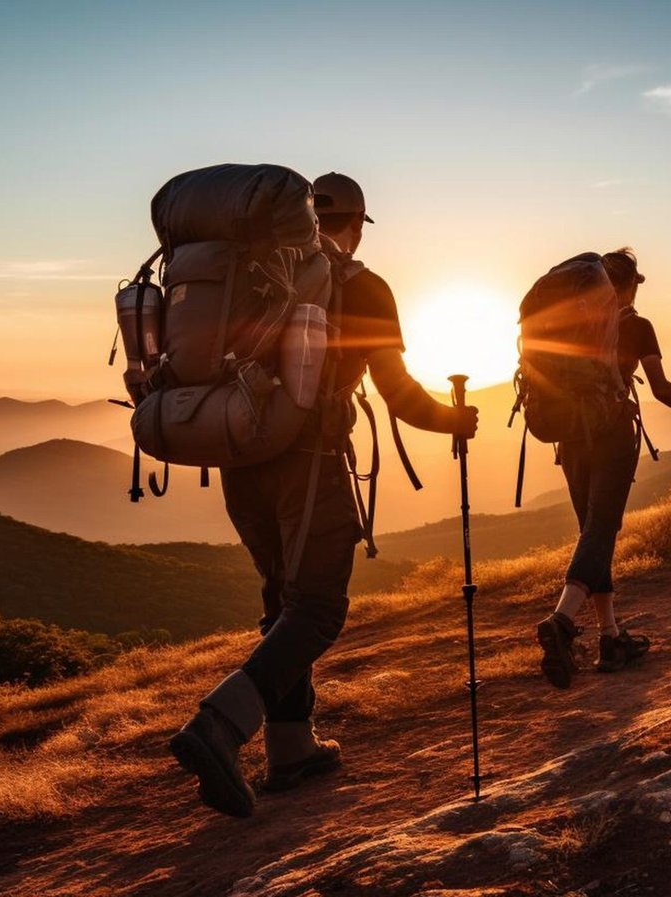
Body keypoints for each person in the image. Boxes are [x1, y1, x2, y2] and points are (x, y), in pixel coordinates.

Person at [170, 172, 480, 818]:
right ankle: (219, 726)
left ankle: (291, 747)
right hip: (307, 461)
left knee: (282, 597)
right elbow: (396, 391)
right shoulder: (361, 286)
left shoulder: (260, 273)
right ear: (358, 224)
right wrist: (454, 420)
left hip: (239, 454)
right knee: (316, 609)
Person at [534, 249, 671, 689]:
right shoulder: (636, 325)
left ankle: (610, 637)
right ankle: (562, 620)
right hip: (613, 434)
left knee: (592, 534)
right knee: (601, 531)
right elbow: (658, 388)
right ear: (627, 285)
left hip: (570, 436)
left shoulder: (570, 326)